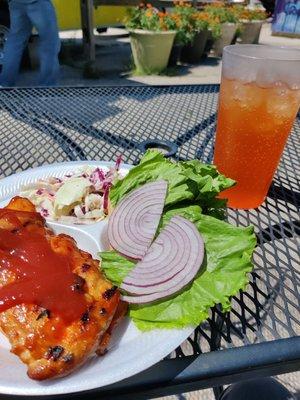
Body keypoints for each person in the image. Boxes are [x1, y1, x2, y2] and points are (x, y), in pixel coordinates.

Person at [0, 0, 60, 87]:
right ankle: (47, 85)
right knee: (50, 43)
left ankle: (5, 83)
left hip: (15, 2)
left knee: (14, 42)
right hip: (37, 2)